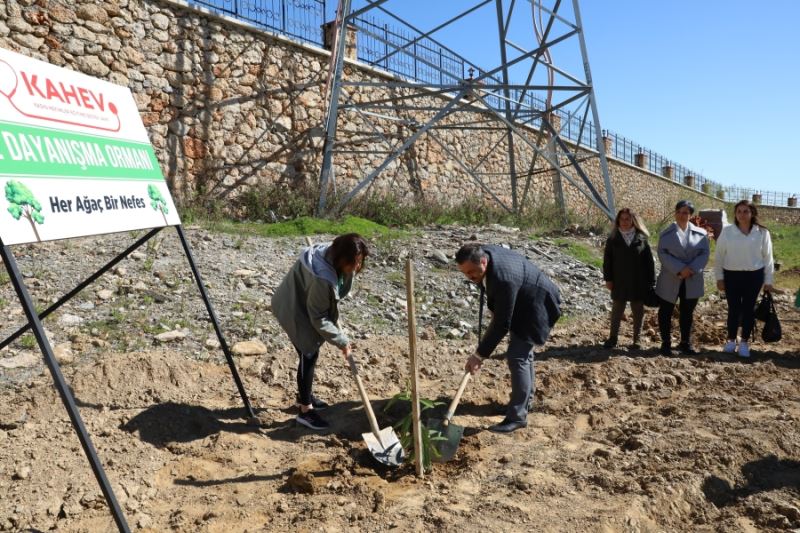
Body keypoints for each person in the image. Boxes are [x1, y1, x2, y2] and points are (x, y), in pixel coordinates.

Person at [456, 243, 561, 433]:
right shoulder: (483, 254)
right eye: (465, 273)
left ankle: (517, 417)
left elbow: (501, 324)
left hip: (537, 303)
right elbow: (499, 310)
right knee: (522, 355)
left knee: (517, 356)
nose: (469, 277)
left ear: (483, 262)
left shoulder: (503, 279)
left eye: (471, 272)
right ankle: (524, 403)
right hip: (522, 298)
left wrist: (479, 355)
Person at [271, 233, 369, 430]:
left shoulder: (333, 253)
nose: (357, 266)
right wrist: (341, 341)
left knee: (309, 353)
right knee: (308, 353)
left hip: (304, 301)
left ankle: (304, 396)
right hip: (292, 307)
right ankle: (305, 411)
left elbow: (330, 299)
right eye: (354, 262)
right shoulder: (322, 278)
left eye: (360, 261)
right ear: (342, 258)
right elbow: (318, 317)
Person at [714, 200, 774, 357]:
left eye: (745, 211)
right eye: (739, 211)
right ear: (735, 214)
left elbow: (768, 258)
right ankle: (731, 340)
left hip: (754, 276)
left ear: (752, 213)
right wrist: (719, 278)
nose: (742, 215)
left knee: (748, 309)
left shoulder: (762, 232)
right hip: (731, 276)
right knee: (733, 309)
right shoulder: (727, 232)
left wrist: (768, 281)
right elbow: (719, 256)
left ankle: (744, 343)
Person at [655, 200, 710, 356]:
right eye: (678, 212)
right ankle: (666, 343)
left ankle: (685, 343)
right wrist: (680, 269)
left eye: (685, 212)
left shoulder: (701, 234)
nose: (681, 215)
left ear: (691, 215)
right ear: (675, 213)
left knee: (687, 312)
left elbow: (704, 254)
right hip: (670, 277)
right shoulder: (665, 234)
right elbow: (662, 254)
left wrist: (690, 269)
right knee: (665, 311)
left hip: (692, 278)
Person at [602, 208, 655, 350]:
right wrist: (608, 279)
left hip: (638, 281)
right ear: (618, 221)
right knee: (617, 311)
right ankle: (612, 338)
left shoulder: (642, 238)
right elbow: (607, 261)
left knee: (638, 311)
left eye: (627, 219)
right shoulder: (613, 239)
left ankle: (637, 340)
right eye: (622, 219)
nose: (624, 222)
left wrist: (651, 281)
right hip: (619, 281)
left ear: (633, 221)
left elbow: (649, 262)